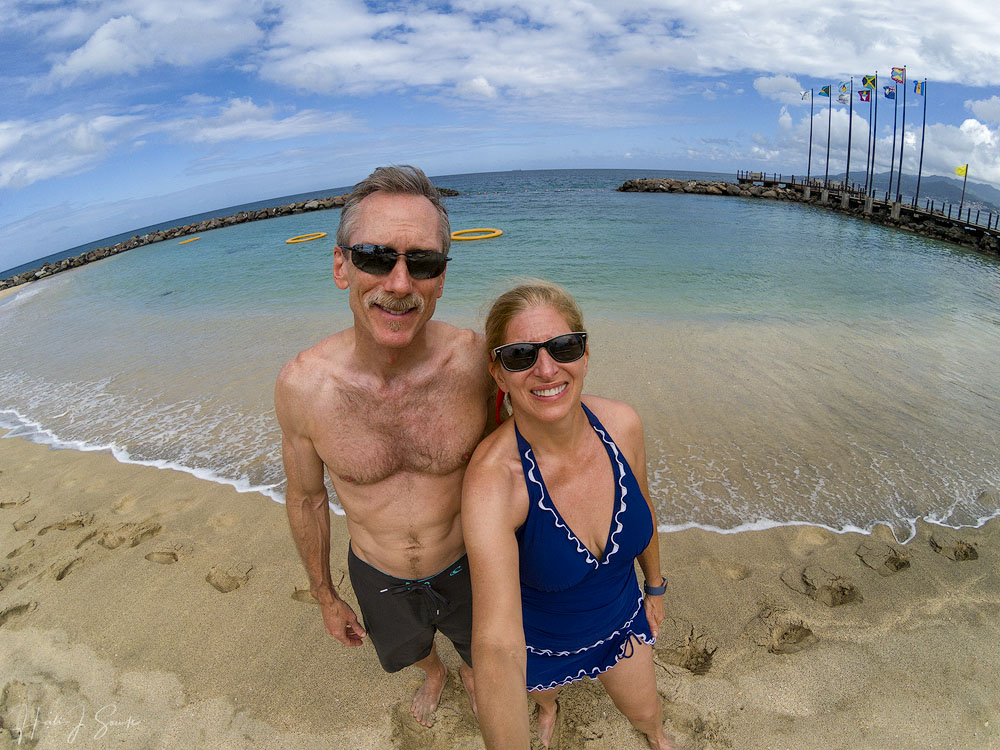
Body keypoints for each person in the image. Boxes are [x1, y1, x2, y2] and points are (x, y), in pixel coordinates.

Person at [275, 165, 491, 727]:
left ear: (441, 279)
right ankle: (435, 673)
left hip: (471, 561)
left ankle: (467, 669)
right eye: (376, 257)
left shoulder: (477, 364)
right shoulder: (304, 387)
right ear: (341, 266)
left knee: (479, 646)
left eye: (422, 262)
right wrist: (325, 595)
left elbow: (551, 421)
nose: (399, 284)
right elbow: (306, 499)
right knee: (410, 648)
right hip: (376, 569)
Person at [462, 280, 673, 749]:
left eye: (563, 346)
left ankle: (657, 738)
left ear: (584, 353)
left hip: (620, 619)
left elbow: (645, 506)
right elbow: (497, 646)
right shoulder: (495, 481)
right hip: (538, 640)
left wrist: (654, 586)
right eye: (520, 355)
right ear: (498, 373)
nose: (546, 368)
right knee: (543, 695)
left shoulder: (622, 424)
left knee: (647, 713)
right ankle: (548, 706)